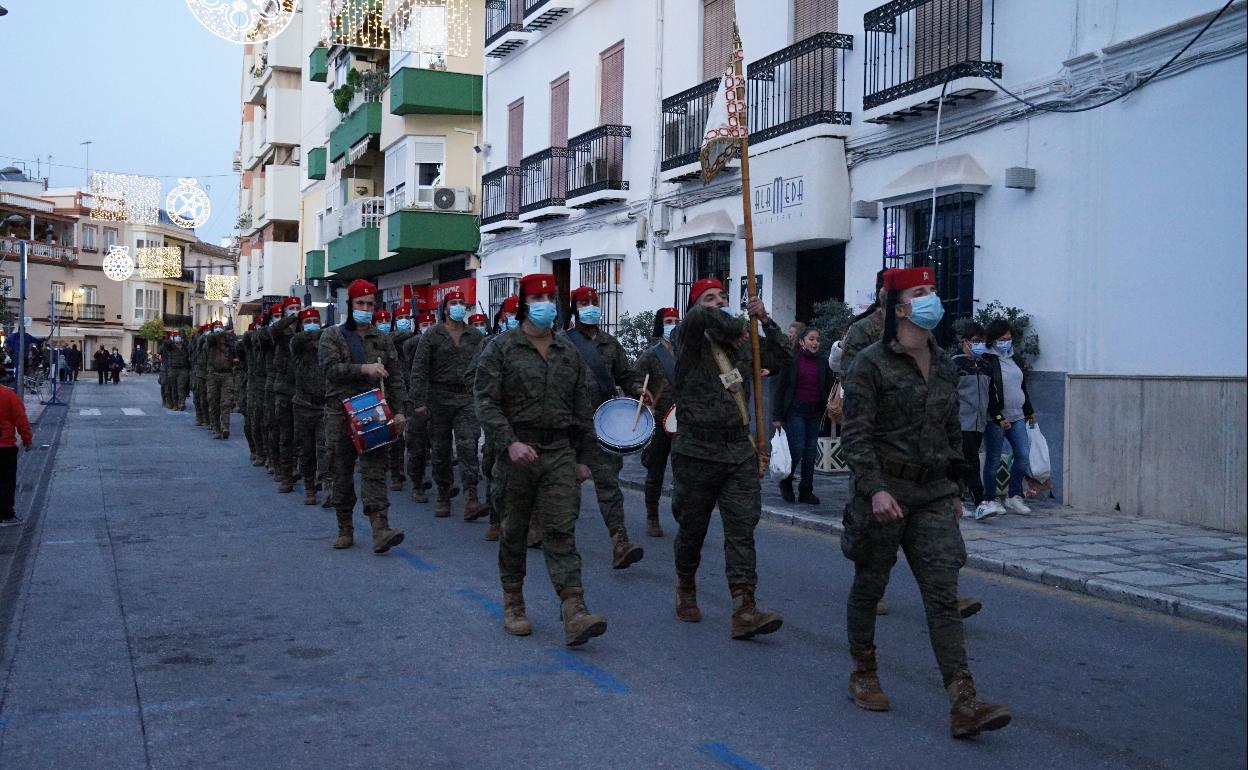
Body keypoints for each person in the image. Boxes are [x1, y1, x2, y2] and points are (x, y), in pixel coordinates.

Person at [840, 267, 1009, 738]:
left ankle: (964, 700)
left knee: (941, 596)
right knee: (870, 586)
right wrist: (874, 489)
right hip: (884, 492)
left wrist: (954, 488)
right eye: (921, 292)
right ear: (899, 307)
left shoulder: (946, 364)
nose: (932, 298)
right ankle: (863, 672)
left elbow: (951, 431)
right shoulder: (869, 363)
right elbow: (855, 437)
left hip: (933, 494)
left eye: (934, 289)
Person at [474, 274, 608, 646]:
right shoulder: (501, 348)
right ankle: (514, 602)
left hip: (559, 453)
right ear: (523, 303)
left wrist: (584, 458)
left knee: (561, 529)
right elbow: (485, 402)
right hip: (517, 452)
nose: (546, 302)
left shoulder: (569, 353)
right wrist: (509, 443)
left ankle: (574, 609)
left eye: (551, 296)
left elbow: (583, 407)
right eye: (538, 297)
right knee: (514, 530)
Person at [670, 278, 790, 639]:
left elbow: (783, 357)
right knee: (692, 527)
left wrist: (764, 320)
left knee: (742, 529)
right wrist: (736, 322)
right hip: (696, 451)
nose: (718, 303)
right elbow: (698, 319)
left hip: (738, 450)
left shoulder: (742, 345)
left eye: (723, 297)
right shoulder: (689, 341)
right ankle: (686, 584)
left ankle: (744, 607)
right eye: (710, 298)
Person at [319, 279, 408, 553]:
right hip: (340, 412)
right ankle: (345, 528)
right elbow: (330, 369)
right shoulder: (332, 336)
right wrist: (364, 369)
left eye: (370, 304)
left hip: (373, 412)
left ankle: (380, 528)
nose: (365, 309)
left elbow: (396, 378)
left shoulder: (382, 339)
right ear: (351, 304)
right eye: (360, 304)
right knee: (342, 472)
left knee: (375, 471)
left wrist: (401, 411)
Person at [563, 285, 648, 569]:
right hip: (570, 427)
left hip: (603, 424)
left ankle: (620, 542)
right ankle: (558, 539)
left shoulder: (611, 344)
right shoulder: (563, 343)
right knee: (565, 486)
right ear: (574, 307)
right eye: (584, 302)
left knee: (609, 484)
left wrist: (638, 389)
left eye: (593, 302)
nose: (590, 306)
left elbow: (625, 374)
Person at [409, 290, 487, 520]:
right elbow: (419, 370)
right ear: (445, 307)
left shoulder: (475, 335)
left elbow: (485, 367)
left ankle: (472, 497)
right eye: (453, 303)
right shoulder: (432, 335)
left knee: (468, 445)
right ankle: (443, 494)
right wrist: (418, 401)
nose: (458, 306)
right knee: (441, 450)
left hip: (466, 398)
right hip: (438, 399)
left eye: (462, 303)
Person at [772, 326, 833, 505]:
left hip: (815, 413)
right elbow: (781, 390)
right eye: (811, 339)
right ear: (802, 342)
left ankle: (806, 490)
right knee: (798, 447)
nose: (815, 343)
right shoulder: (791, 361)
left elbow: (828, 387)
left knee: (811, 452)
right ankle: (786, 481)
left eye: (817, 340)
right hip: (795, 411)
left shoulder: (823, 362)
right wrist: (777, 416)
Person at [981, 319, 1036, 514]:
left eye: (1009, 338)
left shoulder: (1014, 358)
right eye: (1003, 339)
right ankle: (990, 499)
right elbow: (987, 392)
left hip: (1017, 415)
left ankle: (1014, 495)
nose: (1007, 342)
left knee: (1022, 455)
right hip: (996, 419)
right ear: (993, 339)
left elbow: (1022, 386)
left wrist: (1029, 410)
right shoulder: (986, 359)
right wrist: (997, 417)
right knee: (993, 459)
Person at [634, 307, 680, 537]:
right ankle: (652, 514)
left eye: (675, 320)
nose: (672, 324)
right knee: (656, 470)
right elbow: (634, 379)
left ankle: (685, 515)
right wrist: (641, 392)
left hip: (684, 419)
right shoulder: (651, 355)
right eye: (668, 321)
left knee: (685, 471)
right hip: (659, 417)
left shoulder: (686, 352)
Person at [476, 295, 518, 542]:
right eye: (510, 315)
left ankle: (531, 524)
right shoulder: (491, 345)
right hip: (500, 420)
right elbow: (476, 378)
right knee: (496, 470)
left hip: (532, 420)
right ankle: (495, 517)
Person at [952, 323, 1000, 520]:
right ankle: (980, 501)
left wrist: (998, 418)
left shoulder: (986, 365)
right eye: (975, 341)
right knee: (971, 460)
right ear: (965, 341)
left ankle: (958, 500)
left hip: (979, 422)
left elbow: (991, 394)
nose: (979, 345)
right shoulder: (955, 363)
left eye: (982, 342)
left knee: (964, 462)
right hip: (961, 420)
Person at [290, 308, 330, 506]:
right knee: (306, 450)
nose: (313, 324)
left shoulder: (326, 343)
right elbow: (298, 340)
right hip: (302, 405)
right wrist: (317, 332)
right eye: (308, 321)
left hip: (323, 405)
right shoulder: (297, 343)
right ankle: (309, 487)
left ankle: (326, 485)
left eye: (316, 320)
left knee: (325, 448)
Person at [400, 311, 438, 502]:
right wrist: (420, 335)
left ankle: (442, 485)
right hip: (415, 398)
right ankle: (417, 482)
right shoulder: (412, 343)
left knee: (440, 444)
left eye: (432, 325)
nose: (429, 329)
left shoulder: (440, 342)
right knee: (416, 444)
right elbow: (409, 346)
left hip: (437, 399)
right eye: (425, 325)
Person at [266, 298, 302, 493]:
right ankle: (286, 474)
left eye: (298, 308)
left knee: (302, 435)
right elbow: (273, 330)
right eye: (291, 309)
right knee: (285, 433)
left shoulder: (304, 328)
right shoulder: (280, 331)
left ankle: (301, 470)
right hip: (283, 388)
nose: (295, 312)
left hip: (302, 388)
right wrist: (290, 319)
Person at [387, 303, 415, 493]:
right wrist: (410, 332)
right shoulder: (389, 338)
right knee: (395, 435)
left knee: (412, 435)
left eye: (407, 317)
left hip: (411, 389)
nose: (404, 321)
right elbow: (391, 338)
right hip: (392, 391)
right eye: (400, 318)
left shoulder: (414, 340)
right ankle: (395, 472)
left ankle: (412, 474)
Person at [1, 381, 34, 528]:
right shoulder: (8, 395)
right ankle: (6, 515)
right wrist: (27, 439)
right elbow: (20, 418)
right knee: (6, 482)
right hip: (4, 446)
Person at [203, 321, 236, 439]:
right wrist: (223, 333)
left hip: (227, 375)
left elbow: (234, 352)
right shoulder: (211, 340)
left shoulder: (228, 341)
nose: (218, 329)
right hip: (213, 375)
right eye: (216, 327)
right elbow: (210, 338)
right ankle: (216, 429)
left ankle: (225, 427)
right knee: (213, 402)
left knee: (226, 403)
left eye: (220, 327)